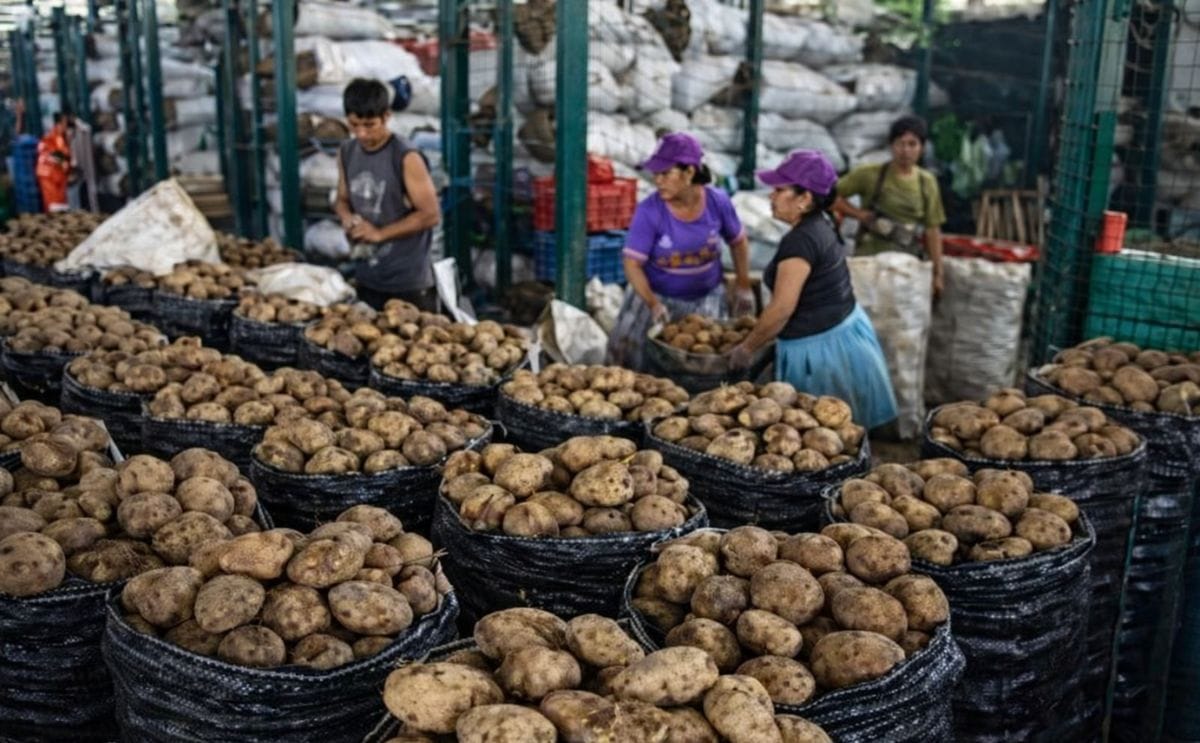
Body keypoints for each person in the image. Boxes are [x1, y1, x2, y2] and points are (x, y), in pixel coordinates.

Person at [729, 150, 897, 430]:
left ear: (805, 199)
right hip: (843, 333)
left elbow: (782, 309)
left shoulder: (801, 242)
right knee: (841, 434)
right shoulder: (822, 222)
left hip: (822, 352)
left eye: (780, 190)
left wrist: (747, 348)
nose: (771, 196)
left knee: (822, 435)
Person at [607, 132, 754, 371]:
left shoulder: (717, 202)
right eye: (656, 174)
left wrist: (743, 284)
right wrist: (653, 304)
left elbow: (738, 242)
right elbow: (632, 264)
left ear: (689, 173)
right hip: (655, 299)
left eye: (666, 173)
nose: (658, 181)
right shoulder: (650, 211)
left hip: (705, 300)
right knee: (631, 365)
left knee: (701, 364)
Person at [335, 78, 441, 312]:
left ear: (387, 116)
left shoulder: (405, 156)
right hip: (367, 277)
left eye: (370, 125)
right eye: (354, 125)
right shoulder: (347, 152)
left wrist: (380, 234)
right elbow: (342, 199)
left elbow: (430, 215)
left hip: (407, 283)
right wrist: (346, 218)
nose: (361, 133)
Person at [834, 115, 946, 297]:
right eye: (900, 143)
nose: (906, 150)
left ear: (922, 148)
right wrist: (858, 214)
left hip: (906, 265)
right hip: (870, 263)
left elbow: (932, 229)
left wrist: (937, 273)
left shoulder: (927, 182)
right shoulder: (870, 175)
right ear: (891, 146)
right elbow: (830, 196)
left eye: (912, 144)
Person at [36, 111, 73, 213]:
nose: (67, 126)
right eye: (65, 123)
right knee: (54, 203)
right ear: (59, 124)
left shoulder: (58, 137)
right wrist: (67, 167)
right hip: (50, 175)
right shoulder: (55, 138)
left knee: (59, 202)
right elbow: (58, 157)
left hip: (54, 175)